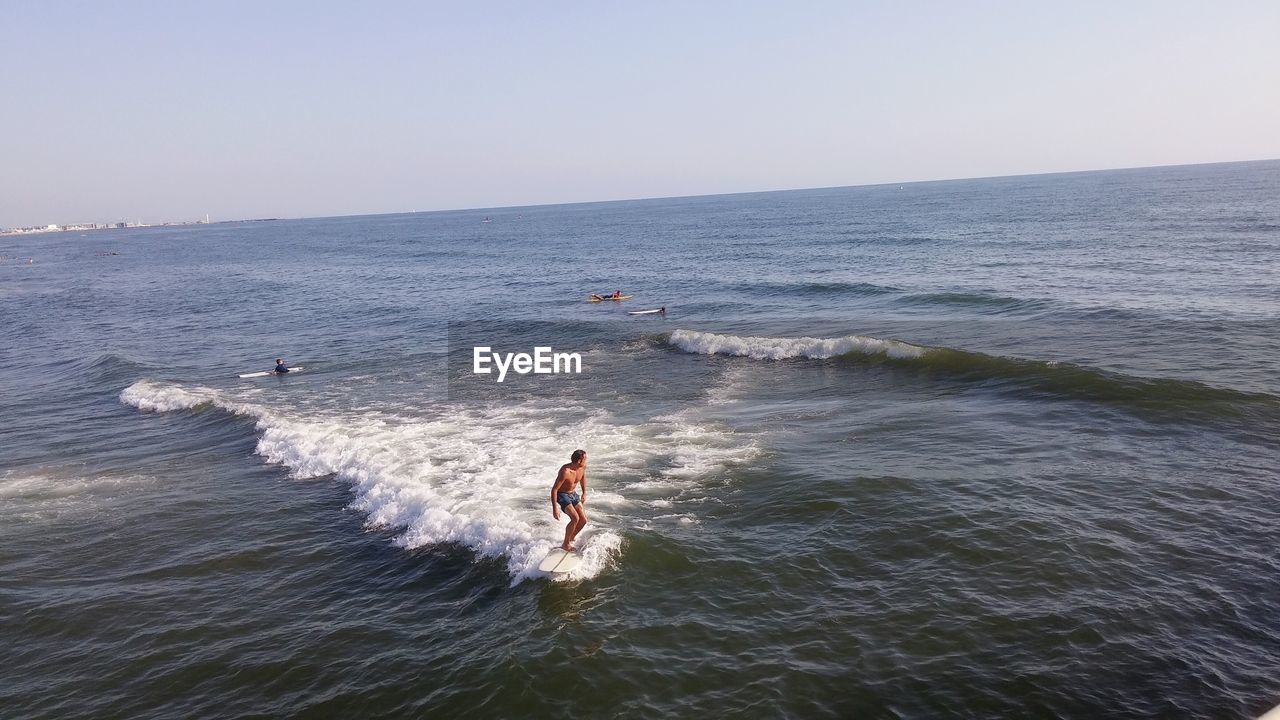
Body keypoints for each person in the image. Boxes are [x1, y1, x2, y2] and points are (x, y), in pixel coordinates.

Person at [551, 449, 588, 551]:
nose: (586, 460)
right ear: (579, 460)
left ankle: (571, 537)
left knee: (583, 520)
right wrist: (555, 509)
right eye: (585, 459)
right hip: (562, 495)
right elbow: (554, 490)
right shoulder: (565, 471)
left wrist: (584, 493)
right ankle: (565, 544)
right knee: (575, 518)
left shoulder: (582, 467)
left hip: (573, 494)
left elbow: (583, 478)